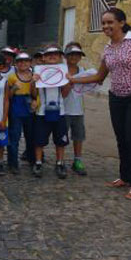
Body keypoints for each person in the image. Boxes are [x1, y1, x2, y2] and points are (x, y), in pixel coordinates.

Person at [69, 8, 131, 199]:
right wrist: (72, 80)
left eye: (110, 22)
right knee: (121, 138)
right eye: (103, 23)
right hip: (116, 98)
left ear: (121, 23)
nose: (105, 26)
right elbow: (99, 76)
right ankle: (125, 177)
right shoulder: (108, 49)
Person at [32, 44, 70, 179]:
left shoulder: (63, 72)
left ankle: (60, 162)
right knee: (39, 140)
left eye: (55, 54)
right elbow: (33, 92)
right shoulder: (38, 71)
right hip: (42, 112)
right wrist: (33, 81)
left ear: (60, 57)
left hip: (59, 112)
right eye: (49, 54)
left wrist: (67, 81)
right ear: (43, 58)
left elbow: (65, 94)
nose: (52, 56)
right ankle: (38, 162)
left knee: (60, 140)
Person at [7, 52, 37, 174]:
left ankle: (32, 159)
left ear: (30, 63)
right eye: (20, 61)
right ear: (16, 64)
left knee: (31, 135)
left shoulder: (35, 76)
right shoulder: (12, 77)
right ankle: (12, 162)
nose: (23, 64)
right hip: (16, 107)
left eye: (26, 61)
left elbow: (36, 94)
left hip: (30, 106)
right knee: (14, 136)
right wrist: (14, 89)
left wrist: (35, 100)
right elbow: (7, 96)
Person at [61, 43, 88, 176]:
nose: (74, 57)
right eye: (71, 55)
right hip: (64, 109)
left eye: (77, 55)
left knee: (79, 137)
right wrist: (70, 83)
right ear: (66, 56)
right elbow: (63, 93)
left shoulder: (83, 71)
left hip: (78, 110)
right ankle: (60, 161)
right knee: (62, 137)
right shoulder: (61, 71)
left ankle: (77, 160)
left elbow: (89, 87)